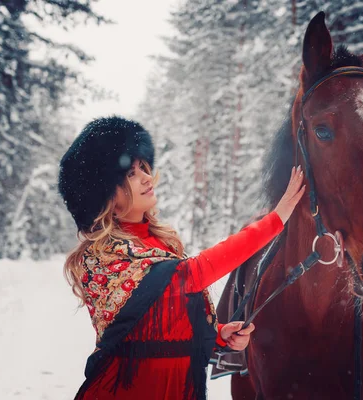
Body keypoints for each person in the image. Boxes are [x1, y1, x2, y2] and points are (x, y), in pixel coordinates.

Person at [58, 116, 305, 400]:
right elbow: (193, 274)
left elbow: (165, 328)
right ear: (105, 196)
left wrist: (219, 335)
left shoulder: (162, 245)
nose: (146, 178)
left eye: (143, 168)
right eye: (130, 174)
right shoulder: (103, 259)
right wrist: (276, 218)